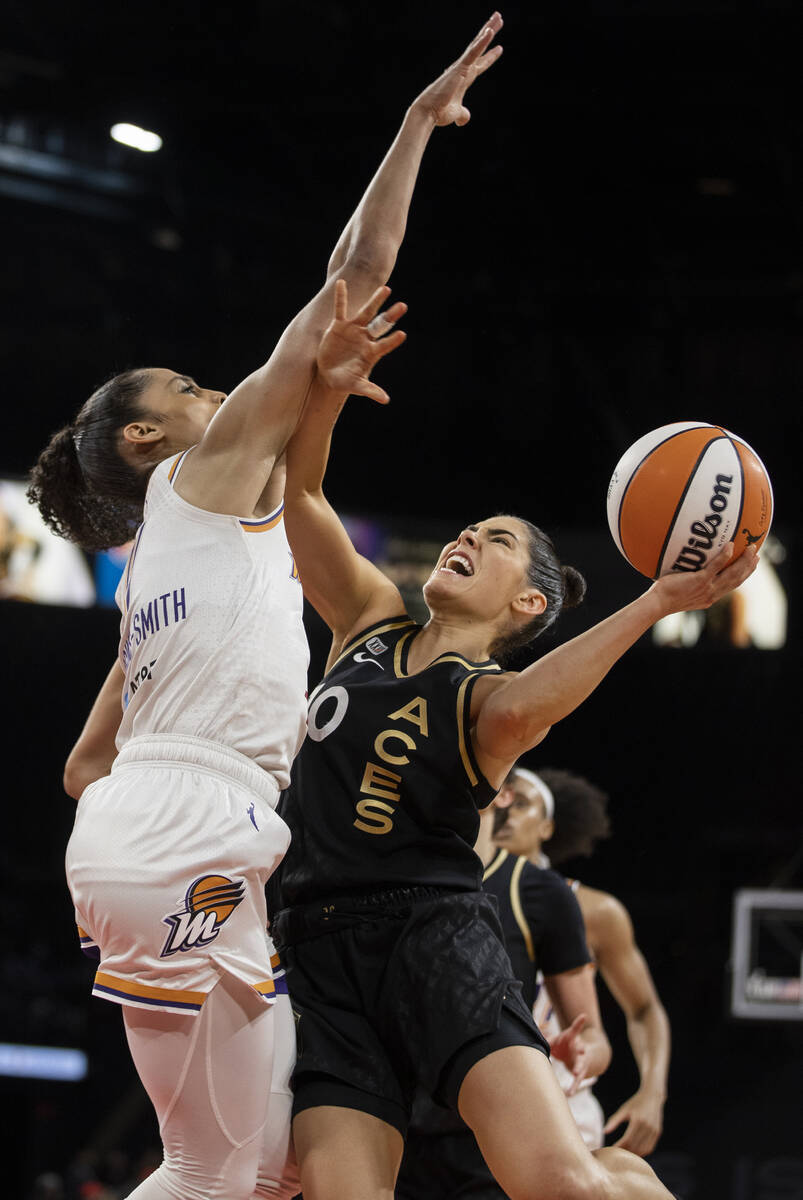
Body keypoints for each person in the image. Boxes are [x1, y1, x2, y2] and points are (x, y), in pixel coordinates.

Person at [27, 17, 505, 1200]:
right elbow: (351, 276)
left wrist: (161, 816)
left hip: (151, 828)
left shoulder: (150, 577)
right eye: (188, 390)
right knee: (239, 1166)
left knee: (232, 1164)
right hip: (196, 825)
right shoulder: (199, 478)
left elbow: (87, 764)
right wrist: (410, 127)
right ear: (148, 438)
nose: (215, 391)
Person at [271, 277, 758, 1200]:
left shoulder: (485, 697)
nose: (467, 534)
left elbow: (535, 706)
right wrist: (325, 388)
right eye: (470, 527)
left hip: (433, 937)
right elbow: (298, 489)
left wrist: (658, 598)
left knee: (563, 1187)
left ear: (526, 602)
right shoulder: (367, 622)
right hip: (315, 953)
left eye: (492, 539)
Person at [395, 799, 611, 1200]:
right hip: (400, 1127)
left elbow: (596, 1037)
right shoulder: (389, 876)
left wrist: (581, 1052)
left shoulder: (539, 892)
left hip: (494, 1134)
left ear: (503, 793)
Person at [494, 766, 671, 1157]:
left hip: (563, 1105)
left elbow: (644, 1009)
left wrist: (652, 1093)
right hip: (480, 1105)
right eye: (499, 800)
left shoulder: (593, 909)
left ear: (547, 828)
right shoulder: (453, 896)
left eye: (521, 803)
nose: (506, 813)